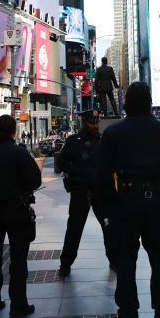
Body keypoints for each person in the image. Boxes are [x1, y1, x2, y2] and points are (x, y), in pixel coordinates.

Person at [94, 82, 160, 318]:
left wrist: (108, 209)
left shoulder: (113, 134)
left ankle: (127, 316)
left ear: (126, 103)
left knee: (126, 263)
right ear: (150, 103)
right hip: (157, 205)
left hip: (123, 205)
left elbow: (100, 177)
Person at [0, 115, 42, 316]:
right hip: (16, 210)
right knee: (19, 258)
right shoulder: (19, 153)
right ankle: (19, 304)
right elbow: (35, 181)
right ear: (14, 131)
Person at [56, 109, 114, 276]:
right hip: (80, 191)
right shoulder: (74, 141)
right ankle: (65, 263)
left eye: (96, 122)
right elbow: (62, 162)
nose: (95, 125)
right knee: (74, 228)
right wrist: (77, 172)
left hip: (100, 191)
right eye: (91, 122)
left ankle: (114, 260)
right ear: (84, 122)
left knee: (108, 226)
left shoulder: (103, 141)